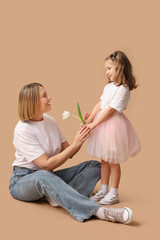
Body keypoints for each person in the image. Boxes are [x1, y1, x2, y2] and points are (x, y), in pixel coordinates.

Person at [9, 82, 133, 224]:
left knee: (95, 166)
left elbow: (69, 151)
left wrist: (81, 136)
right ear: (33, 102)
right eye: (44, 96)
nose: (49, 97)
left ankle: (56, 195)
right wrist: (75, 144)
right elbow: (45, 166)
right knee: (42, 176)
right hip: (23, 181)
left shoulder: (50, 121)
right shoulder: (23, 129)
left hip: (49, 176)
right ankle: (101, 212)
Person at [85, 51, 141, 205]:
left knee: (113, 161)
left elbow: (110, 110)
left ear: (119, 68)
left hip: (113, 126)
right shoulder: (108, 86)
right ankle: (103, 189)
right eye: (106, 69)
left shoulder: (123, 90)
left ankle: (114, 192)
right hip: (102, 125)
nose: (106, 72)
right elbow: (101, 103)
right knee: (104, 160)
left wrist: (94, 124)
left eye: (109, 68)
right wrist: (90, 118)